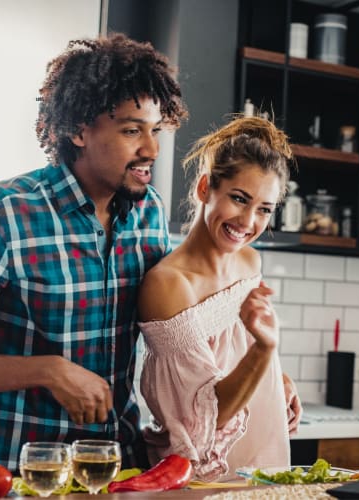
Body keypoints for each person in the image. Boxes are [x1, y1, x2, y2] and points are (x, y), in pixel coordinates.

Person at [0, 33, 187, 471]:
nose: (150, 149)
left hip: (121, 469)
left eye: (155, 130)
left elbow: (177, 324)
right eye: (132, 130)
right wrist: (48, 371)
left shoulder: (149, 212)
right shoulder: (0, 214)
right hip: (22, 475)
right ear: (78, 130)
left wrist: (262, 371)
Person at [137, 116, 302, 481]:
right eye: (239, 199)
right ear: (204, 188)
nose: (248, 221)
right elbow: (206, 418)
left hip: (262, 459)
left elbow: (242, 348)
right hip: (202, 478)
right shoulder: (168, 285)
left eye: (264, 209)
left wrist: (277, 378)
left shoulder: (249, 260)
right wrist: (265, 351)